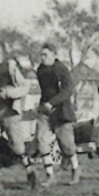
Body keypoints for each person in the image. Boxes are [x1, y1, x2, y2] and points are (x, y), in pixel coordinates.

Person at [0, 41, 30, 194]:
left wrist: (10, 93)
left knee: (17, 148)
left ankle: (30, 171)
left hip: (9, 112)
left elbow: (25, 86)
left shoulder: (9, 66)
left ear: (0, 53)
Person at [35, 43, 81, 187]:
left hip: (62, 111)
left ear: (54, 55)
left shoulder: (61, 69)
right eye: (41, 55)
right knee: (41, 140)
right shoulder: (40, 70)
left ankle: (75, 169)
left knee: (67, 144)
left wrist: (53, 102)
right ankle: (50, 175)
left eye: (46, 55)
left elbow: (68, 90)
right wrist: (42, 105)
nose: (43, 58)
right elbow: (45, 91)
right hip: (46, 111)